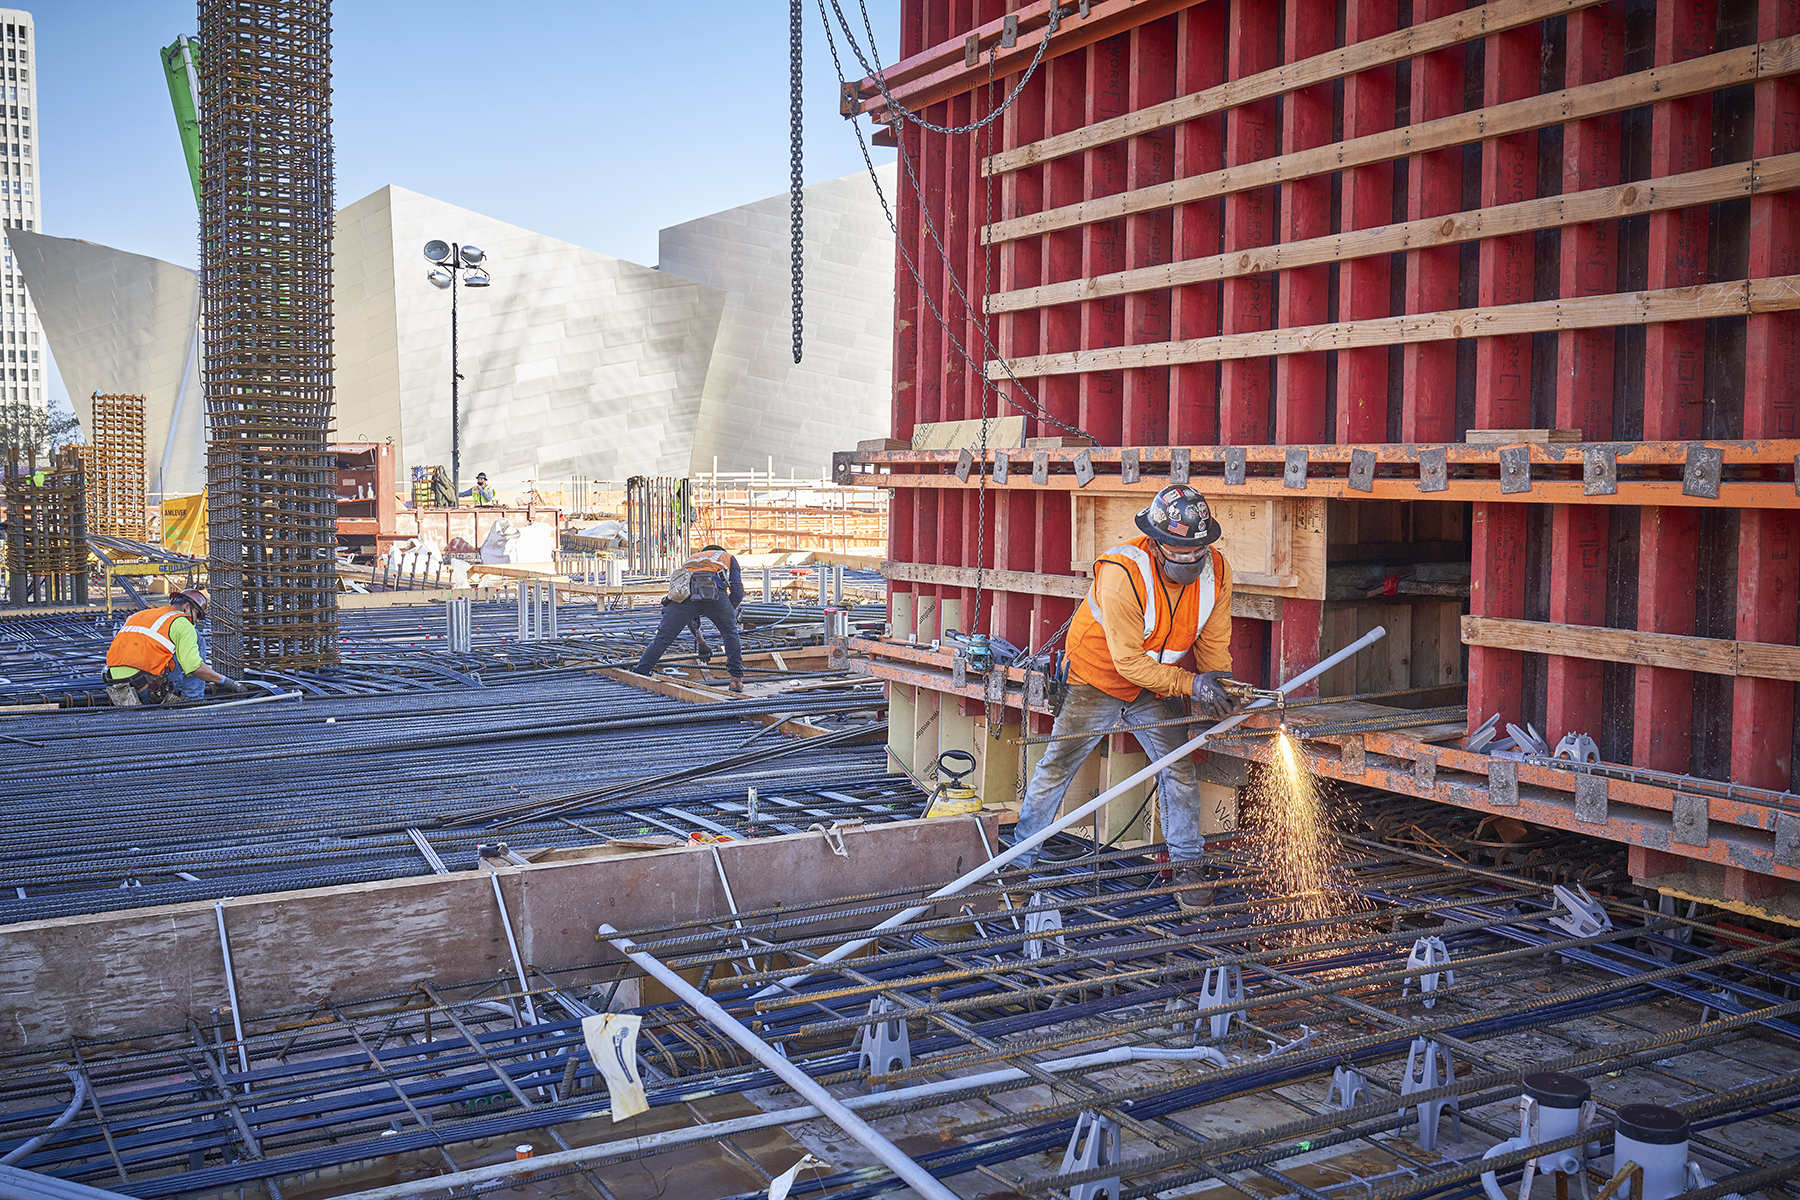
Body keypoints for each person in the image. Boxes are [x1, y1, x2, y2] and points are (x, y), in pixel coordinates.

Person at [1010, 484, 1240, 908]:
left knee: (1178, 768)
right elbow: (1128, 664)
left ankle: (1187, 864)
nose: (1190, 560)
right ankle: (1020, 865)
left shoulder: (1218, 573)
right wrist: (1192, 685)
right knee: (1057, 766)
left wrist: (1217, 682)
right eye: (1179, 553)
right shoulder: (1123, 575)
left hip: (1156, 684)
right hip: (1097, 677)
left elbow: (1213, 639)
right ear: (1157, 543)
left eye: (1197, 552)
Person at [102, 588, 247, 706]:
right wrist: (228, 682)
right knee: (198, 641)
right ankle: (193, 702)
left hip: (117, 689)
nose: (196, 621)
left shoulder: (139, 615)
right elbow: (195, 668)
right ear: (187, 607)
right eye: (197, 615)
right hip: (146, 690)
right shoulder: (182, 622)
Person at [633, 544, 746, 693]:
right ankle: (736, 679)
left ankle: (640, 672)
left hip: (685, 595)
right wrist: (728, 613)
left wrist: (700, 642)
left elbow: (688, 610)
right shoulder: (728, 558)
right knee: (730, 632)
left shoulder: (691, 559)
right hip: (714, 591)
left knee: (663, 638)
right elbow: (737, 591)